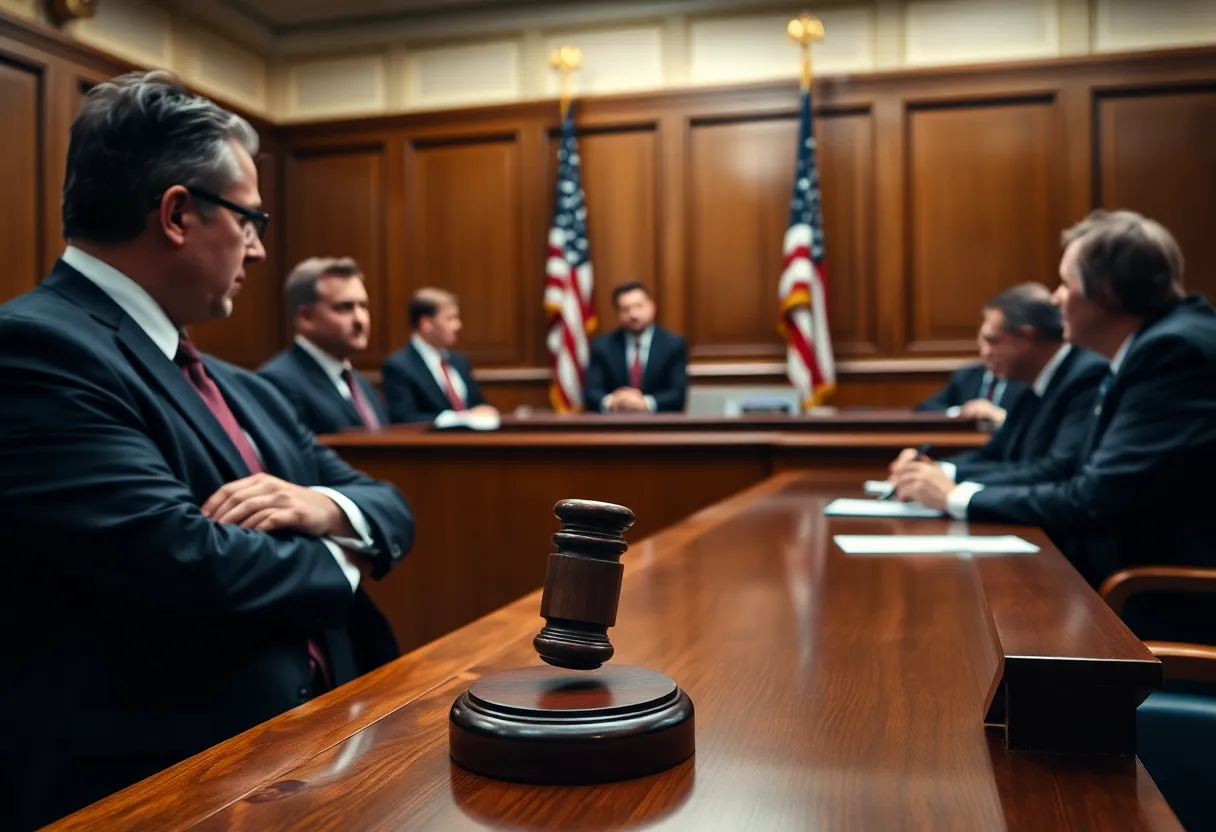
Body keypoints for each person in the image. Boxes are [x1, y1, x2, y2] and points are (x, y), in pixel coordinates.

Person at [0, 71, 413, 831]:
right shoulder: (35, 349)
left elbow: (388, 505)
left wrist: (326, 506)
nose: (257, 250)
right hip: (171, 786)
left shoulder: (238, 383)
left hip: (329, 743)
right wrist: (342, 556)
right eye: (250, 219)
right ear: (179, 213)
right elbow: (185, 560)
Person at [895, 211, 1216, 598]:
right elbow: (1073, 475)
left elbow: (1093, 498)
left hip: (1153, 592)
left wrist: (954, 496)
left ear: (1105, 295)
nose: (1054, 298)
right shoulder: (1148, 347)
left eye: (1065, 283)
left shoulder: (1172, 353)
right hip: (1113, 576)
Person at [890, 283, 1106, 486]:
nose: (985, 353)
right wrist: (935, 470)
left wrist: (952, 492)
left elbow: (1054, 471)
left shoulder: (1084, 377)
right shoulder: (1029, 380)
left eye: (992, 341)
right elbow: (995, 452)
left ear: (1025, 338)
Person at [259, 257, 388, 435]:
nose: (361, 319)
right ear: (306, 318)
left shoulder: (360, 383)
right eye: (344, 307)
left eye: (363, 306)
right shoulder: (277, 382)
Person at [381, 288, 497, 424]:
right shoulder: (398, 367)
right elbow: (404, 419)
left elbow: (479, 404)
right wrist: (460, 419)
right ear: (426, 324)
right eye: (450, 318)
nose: (458, 325)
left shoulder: (459, 362)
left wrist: (487, 410)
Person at [584, 281, 688, 413]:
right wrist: (613, 402)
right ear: (618, 314)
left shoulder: (673, 344)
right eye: (625, 309)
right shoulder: (602, 346)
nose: (633, 314)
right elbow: (591, 393)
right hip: (615, 424)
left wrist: (644, 403)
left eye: (639, 306)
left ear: (652, 307)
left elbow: (678, 395)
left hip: (659, 426)